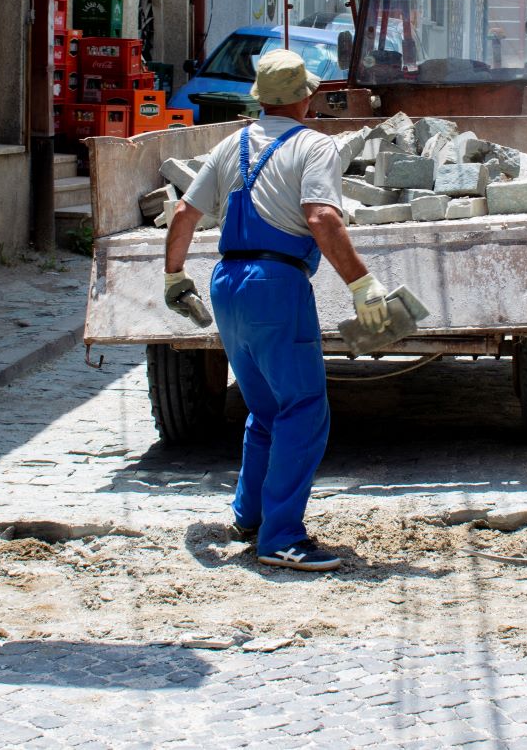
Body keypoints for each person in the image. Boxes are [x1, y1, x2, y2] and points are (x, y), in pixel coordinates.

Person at [163, 50, 390, 572]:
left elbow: (182, 212)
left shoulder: (230, 145)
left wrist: (175, 277)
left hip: (227, 284)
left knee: (265, 409)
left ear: (261, 98)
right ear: (305, 97)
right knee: (304, 409)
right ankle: (282, 536)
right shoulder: (314, 146)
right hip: (275, 285)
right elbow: (321, 218)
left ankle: (250, 514)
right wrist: (362, 286)